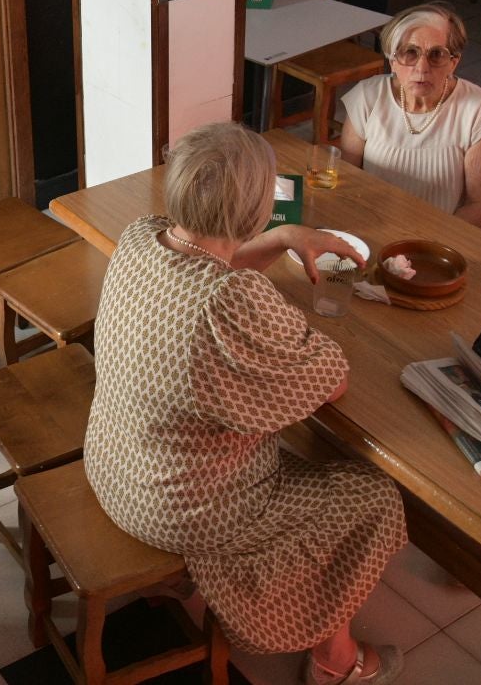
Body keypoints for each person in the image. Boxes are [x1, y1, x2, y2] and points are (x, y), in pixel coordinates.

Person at [85, 122, 407, 685]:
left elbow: (206, 267)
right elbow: (329, 380)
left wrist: (284, 240)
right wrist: (292, 326)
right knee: (373, 493)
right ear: (257, 207)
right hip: (181, 508)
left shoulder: (142, 236)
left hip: (116, 468)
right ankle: (336, 659)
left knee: (280, 444)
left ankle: (193, 579)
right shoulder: (230, 299)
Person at [339, 3, 481, 231]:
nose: (422, 68)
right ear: (392, 60)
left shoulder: (478, 109)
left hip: (452, 236)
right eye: (410, 53)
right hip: (378, 227)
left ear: (453, 62)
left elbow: (479, 204)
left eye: (436, 54)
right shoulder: (366, 98)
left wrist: (430, 246)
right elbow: (348, 180)